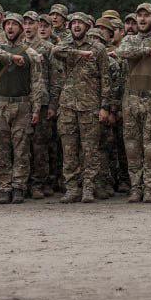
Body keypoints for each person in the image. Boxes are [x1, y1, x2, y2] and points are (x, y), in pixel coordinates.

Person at [0, 12, 47, 203]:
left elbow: (37, 83)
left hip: (21, 104)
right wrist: (10, 57)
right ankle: (4, 186)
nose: (10, 28)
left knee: (21, 149)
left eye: (15, 25)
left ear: (21, 29)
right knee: (0, 148)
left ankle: (19, 187)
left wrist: (36, 109)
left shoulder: (30, 52)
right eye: (7, 24)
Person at [115, 3, 151, 203]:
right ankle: (135, 187)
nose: (141, 19)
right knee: (131, 146)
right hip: (131, 99)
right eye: (139, 15)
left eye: (146, 16)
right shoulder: (128, 40)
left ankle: (149, 187)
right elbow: (122, 53)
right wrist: (147, 50)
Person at [51, 13, 110, 204]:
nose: (76, 26)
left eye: (80, 23)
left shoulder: (98, 48)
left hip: (90, 107)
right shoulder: (65, 45)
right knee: (69, 150)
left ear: (88, 26)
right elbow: (55, 51)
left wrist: (104, 107)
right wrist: (79, 54)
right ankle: (71, 189)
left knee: (90, 150)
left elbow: (106, 80)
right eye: (73, 23)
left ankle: (88, 188)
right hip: (67, 106)